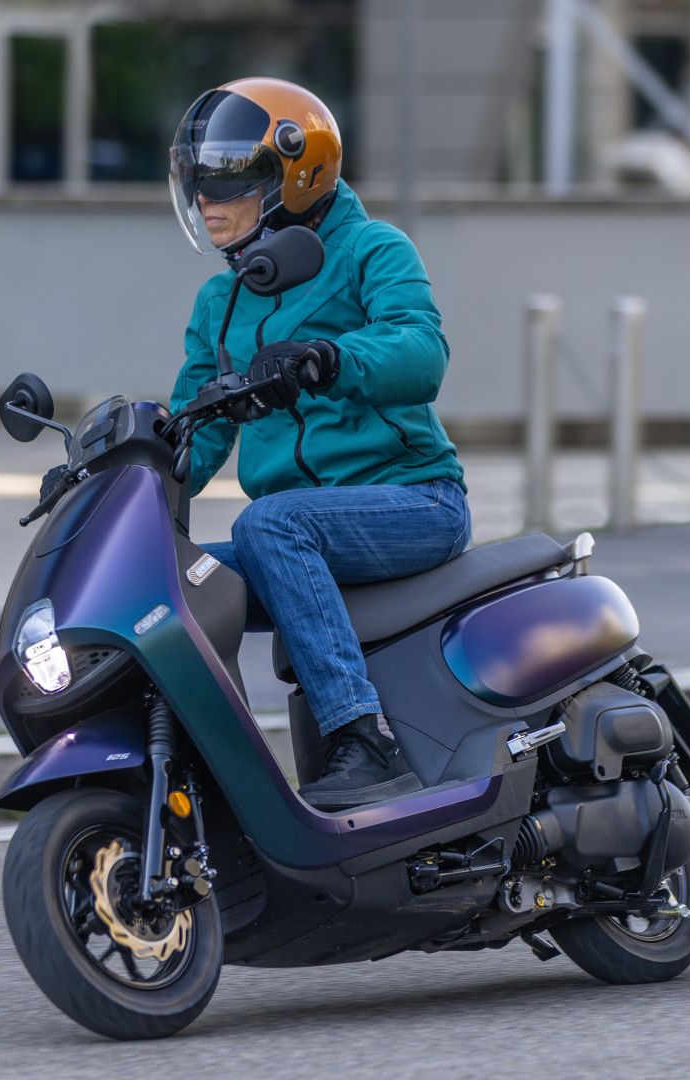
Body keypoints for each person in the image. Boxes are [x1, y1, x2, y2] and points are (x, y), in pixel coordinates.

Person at [167, 77, 468, 810]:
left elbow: (421, 351)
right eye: (197, 181)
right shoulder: (220, 300)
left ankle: (364, 739)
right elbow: (192, 432)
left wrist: (330, 360)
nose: (206, 199)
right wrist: (121, 467)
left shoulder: (372, 250)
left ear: (295, 177)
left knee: (271, 522)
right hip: (300, 534)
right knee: (171, 580)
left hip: (412, 502)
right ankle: (193, 774)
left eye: (228, 180)